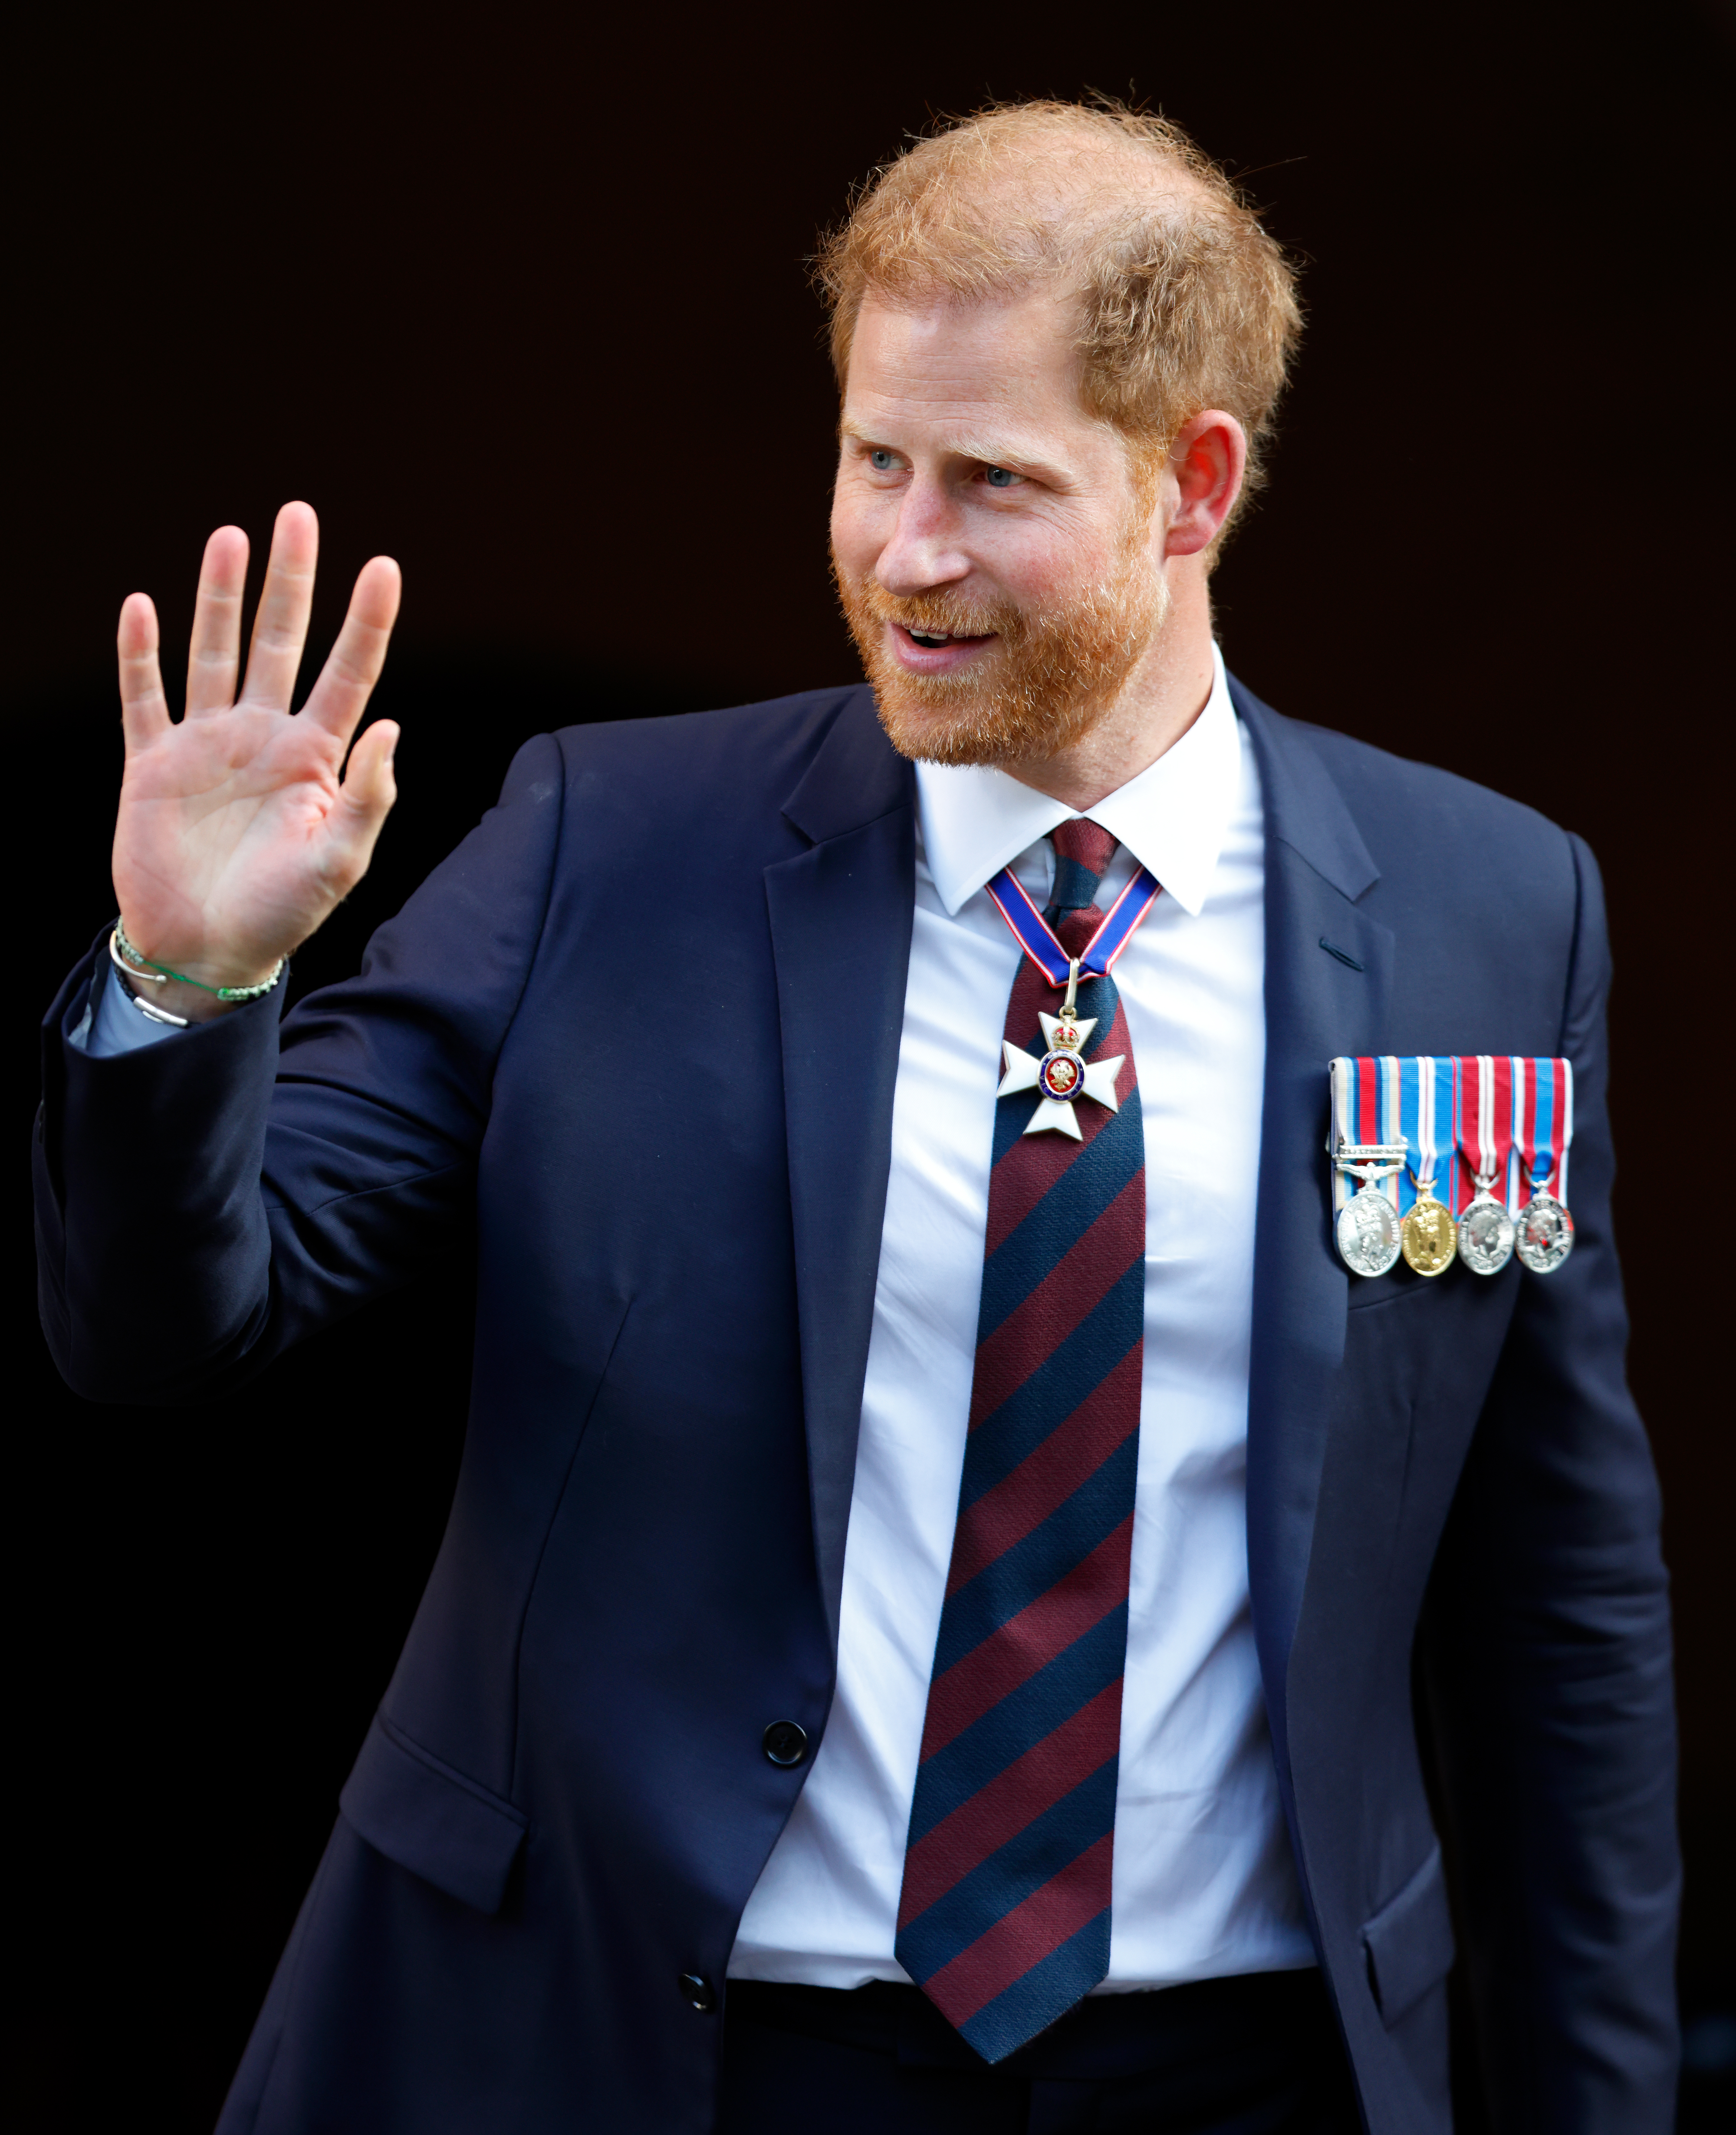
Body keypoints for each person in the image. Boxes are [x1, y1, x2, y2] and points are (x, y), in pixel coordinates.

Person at [34, 100, 1678, 2135]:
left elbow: (1558, 1601)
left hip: (1247, 2070)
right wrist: (190, 983)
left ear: (1195, 486)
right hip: (670, 2054)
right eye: (872, 456)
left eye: (992, 481)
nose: (905, 551)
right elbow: (178, 1322)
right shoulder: (602, 843)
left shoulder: (1489, 914)